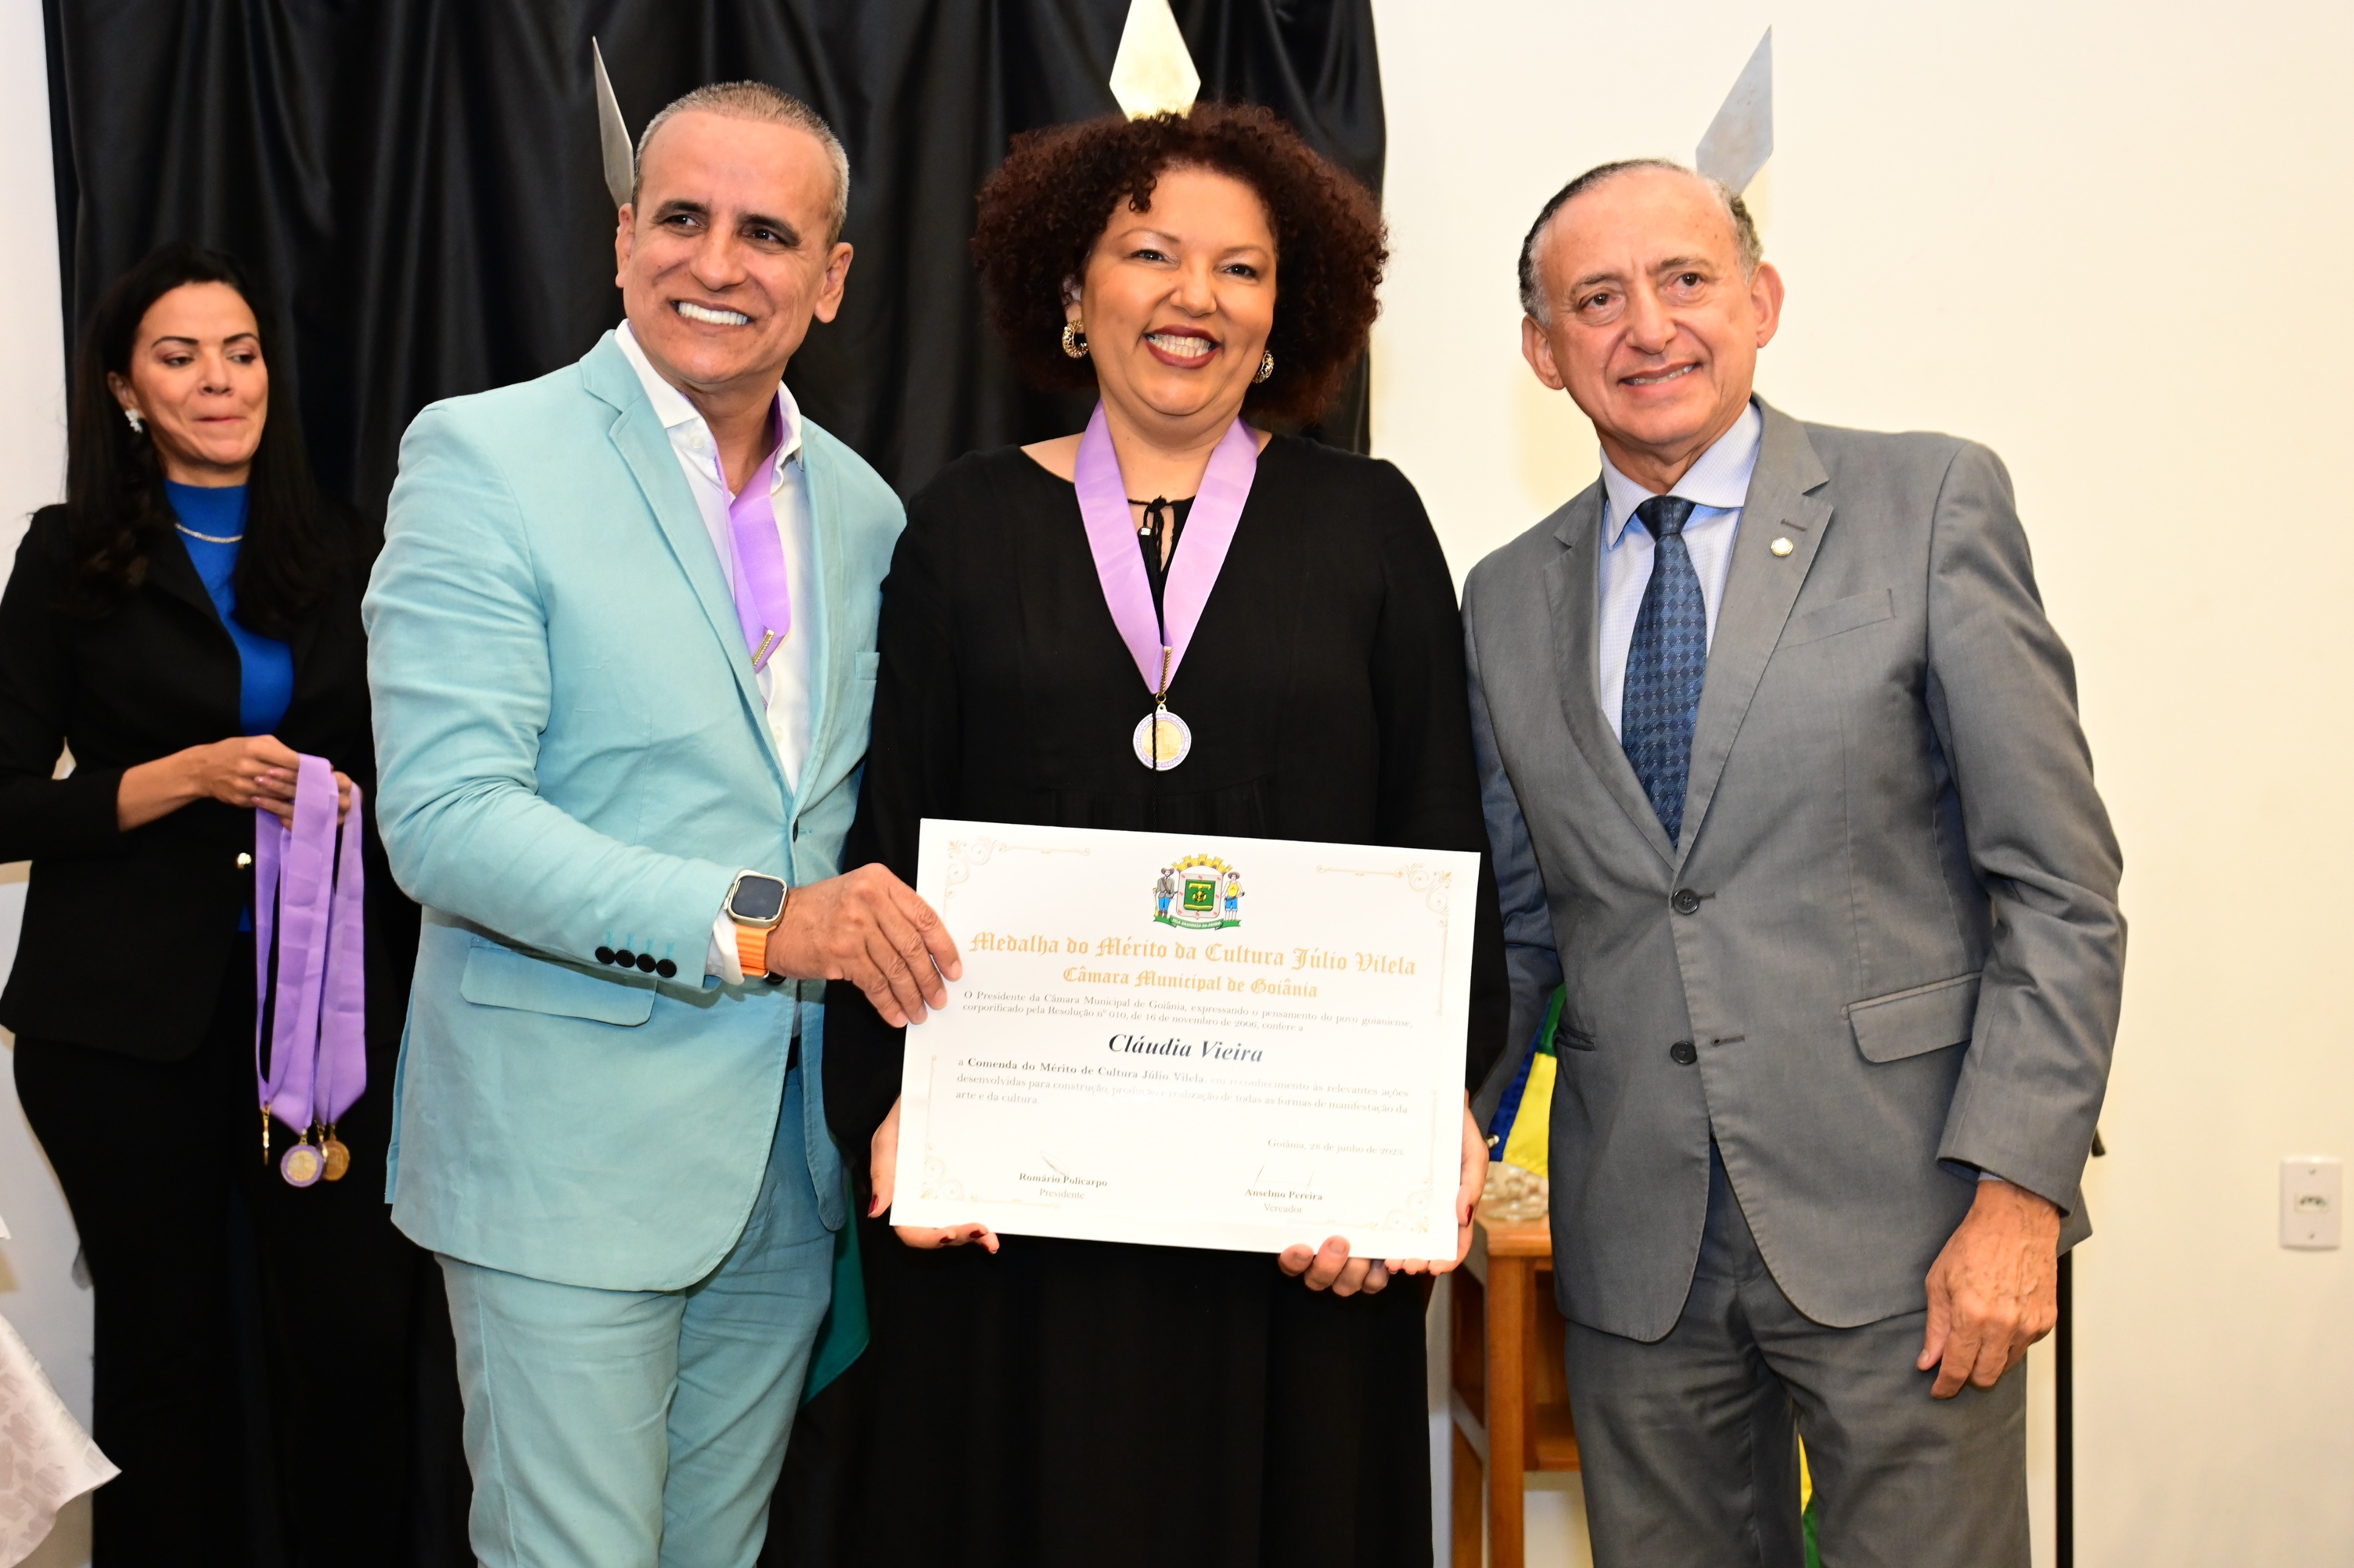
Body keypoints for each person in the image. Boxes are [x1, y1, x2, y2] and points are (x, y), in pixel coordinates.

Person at [825, 104, 1507, 1567]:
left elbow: (1438, 836)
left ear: (1285, 312)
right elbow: (893, 841)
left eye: (1240, 268)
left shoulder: (1373, 524)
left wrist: (1410, 1131)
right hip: (1018, 1217)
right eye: (1149, 253)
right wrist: (899, 1113)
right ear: (1072, 293)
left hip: (1297, 1227)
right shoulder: (961, 526)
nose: (1195, 295)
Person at [1463, 158, 2125, 1566]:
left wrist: (2018, 1194)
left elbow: (2057, 888)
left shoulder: (1927, 503)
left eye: (1685, 280)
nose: (1649, 327)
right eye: (1597, 299)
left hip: (1911, 1227)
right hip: (1633, 1251)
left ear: (1760, 302)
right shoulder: (1503, 598)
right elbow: (1520, 933)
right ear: (1543, 351)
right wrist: (1425, 1134)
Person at [362, 83, 956, 1567]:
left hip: (784, 1173)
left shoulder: (870, 513)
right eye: (682, 217)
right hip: (562, 1158)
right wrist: (764, 923)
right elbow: (446, 821)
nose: (717, 262)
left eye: (769, 234)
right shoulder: (485, 456)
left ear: (831, 278)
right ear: (622, 238)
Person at [0, 244, 457, 1564]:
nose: (220, 380)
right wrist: (182, 778)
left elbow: (428, 769)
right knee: (165, 1370)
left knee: (356, 1354)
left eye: (241, 352)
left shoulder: (356, 551)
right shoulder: (69, 554)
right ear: (124, 390)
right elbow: (6, 802)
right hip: (123, 1038)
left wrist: (369, 798)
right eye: (181, 356)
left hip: (326, 1031)